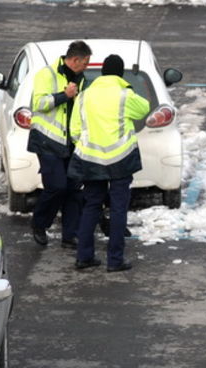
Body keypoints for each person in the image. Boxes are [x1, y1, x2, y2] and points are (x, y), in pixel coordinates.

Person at [68, 54, 150, 272]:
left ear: (102, 72)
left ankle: (84, 257)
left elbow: (74, 130)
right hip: (121, 159)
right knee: (118, 208)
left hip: (90, 159)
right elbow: (144, 109)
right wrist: (129, 89)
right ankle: (115, 260)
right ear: (120, 73)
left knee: (91, 206)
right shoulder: (125, 95)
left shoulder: (84, 96)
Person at [28, 40, 92, 248]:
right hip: (47, 140)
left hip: (70, 142)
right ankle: (39, 224)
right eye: (85, 63)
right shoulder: (47, 74)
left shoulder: (80, 78)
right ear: (75, 60)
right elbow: (38, 104)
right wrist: (64, 96)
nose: (86, 67)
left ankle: (69, 235)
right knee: (56, 186)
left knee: (73, 189)